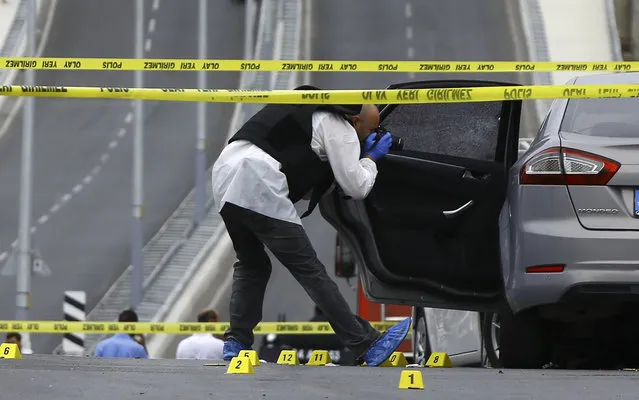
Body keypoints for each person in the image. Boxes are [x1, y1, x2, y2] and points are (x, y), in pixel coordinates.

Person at [210, 86, 411, 366]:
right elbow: (357, 187)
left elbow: (300, 176)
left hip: (225, 176)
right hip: (259, 181)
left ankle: (236, 342)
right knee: (309, 270)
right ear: (355, 121)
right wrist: (370, 159)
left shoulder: (307, 108)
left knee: (252, 263)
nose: (370, 136)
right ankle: (366, 343)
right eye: (370, 130)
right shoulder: (340, 127)